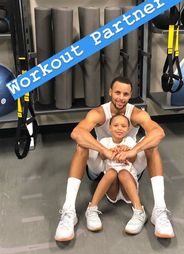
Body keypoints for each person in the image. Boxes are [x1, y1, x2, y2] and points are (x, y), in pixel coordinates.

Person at [55, 76, 175, 242]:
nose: (121, 97)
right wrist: (106, 150)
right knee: (81, 145)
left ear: (130, 95)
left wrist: (133, 150)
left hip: (128, 163)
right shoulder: (98, 113)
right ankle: (69, 212)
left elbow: (158, 132)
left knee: (152, 145)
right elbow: (77, 133)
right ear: (110, 92)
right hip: (102, 162)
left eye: (125, 94)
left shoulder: (136, 113)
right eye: (117, 92)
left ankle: (159, 210)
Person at [85, 113, 147, 235]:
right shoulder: (105, 141)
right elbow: (102, 157)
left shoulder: (129, 141)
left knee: (123, 173)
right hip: (112, 189)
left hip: (128, 187)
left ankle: (139, 210)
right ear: (110, 128)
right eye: (116, 125)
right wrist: (110, 151)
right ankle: (92, 208)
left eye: (123, 126)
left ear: (128, 129)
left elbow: (134, 160)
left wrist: (128, 152)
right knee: (111, 172)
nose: (119, 128)